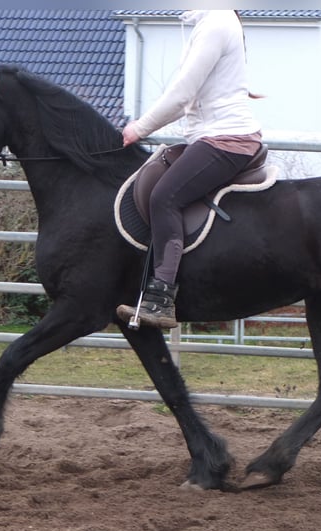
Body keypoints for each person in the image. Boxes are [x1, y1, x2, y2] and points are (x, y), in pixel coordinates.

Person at [116, 10, 263, 329]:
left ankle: (162, 300)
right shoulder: (211, 21)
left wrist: (139, 128)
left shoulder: (217, 22)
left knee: (164, 197)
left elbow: (181, 94)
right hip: (211, 136)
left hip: (226, 139)